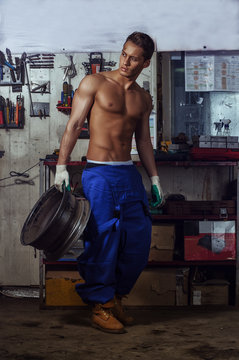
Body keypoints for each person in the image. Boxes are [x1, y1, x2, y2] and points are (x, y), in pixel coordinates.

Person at [54, 31, 164, 334]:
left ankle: (115, 298)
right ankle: (99, 307)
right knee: (102, 242)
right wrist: (61, 167)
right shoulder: (95, 83)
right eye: (124, 54)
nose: (126, 61)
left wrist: (154, 178)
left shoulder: (143, 99)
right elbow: (75, 125)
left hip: (128, 173)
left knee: (138, 243)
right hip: (98, 173)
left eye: (134, 58)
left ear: (146, 62)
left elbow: (143, 140)